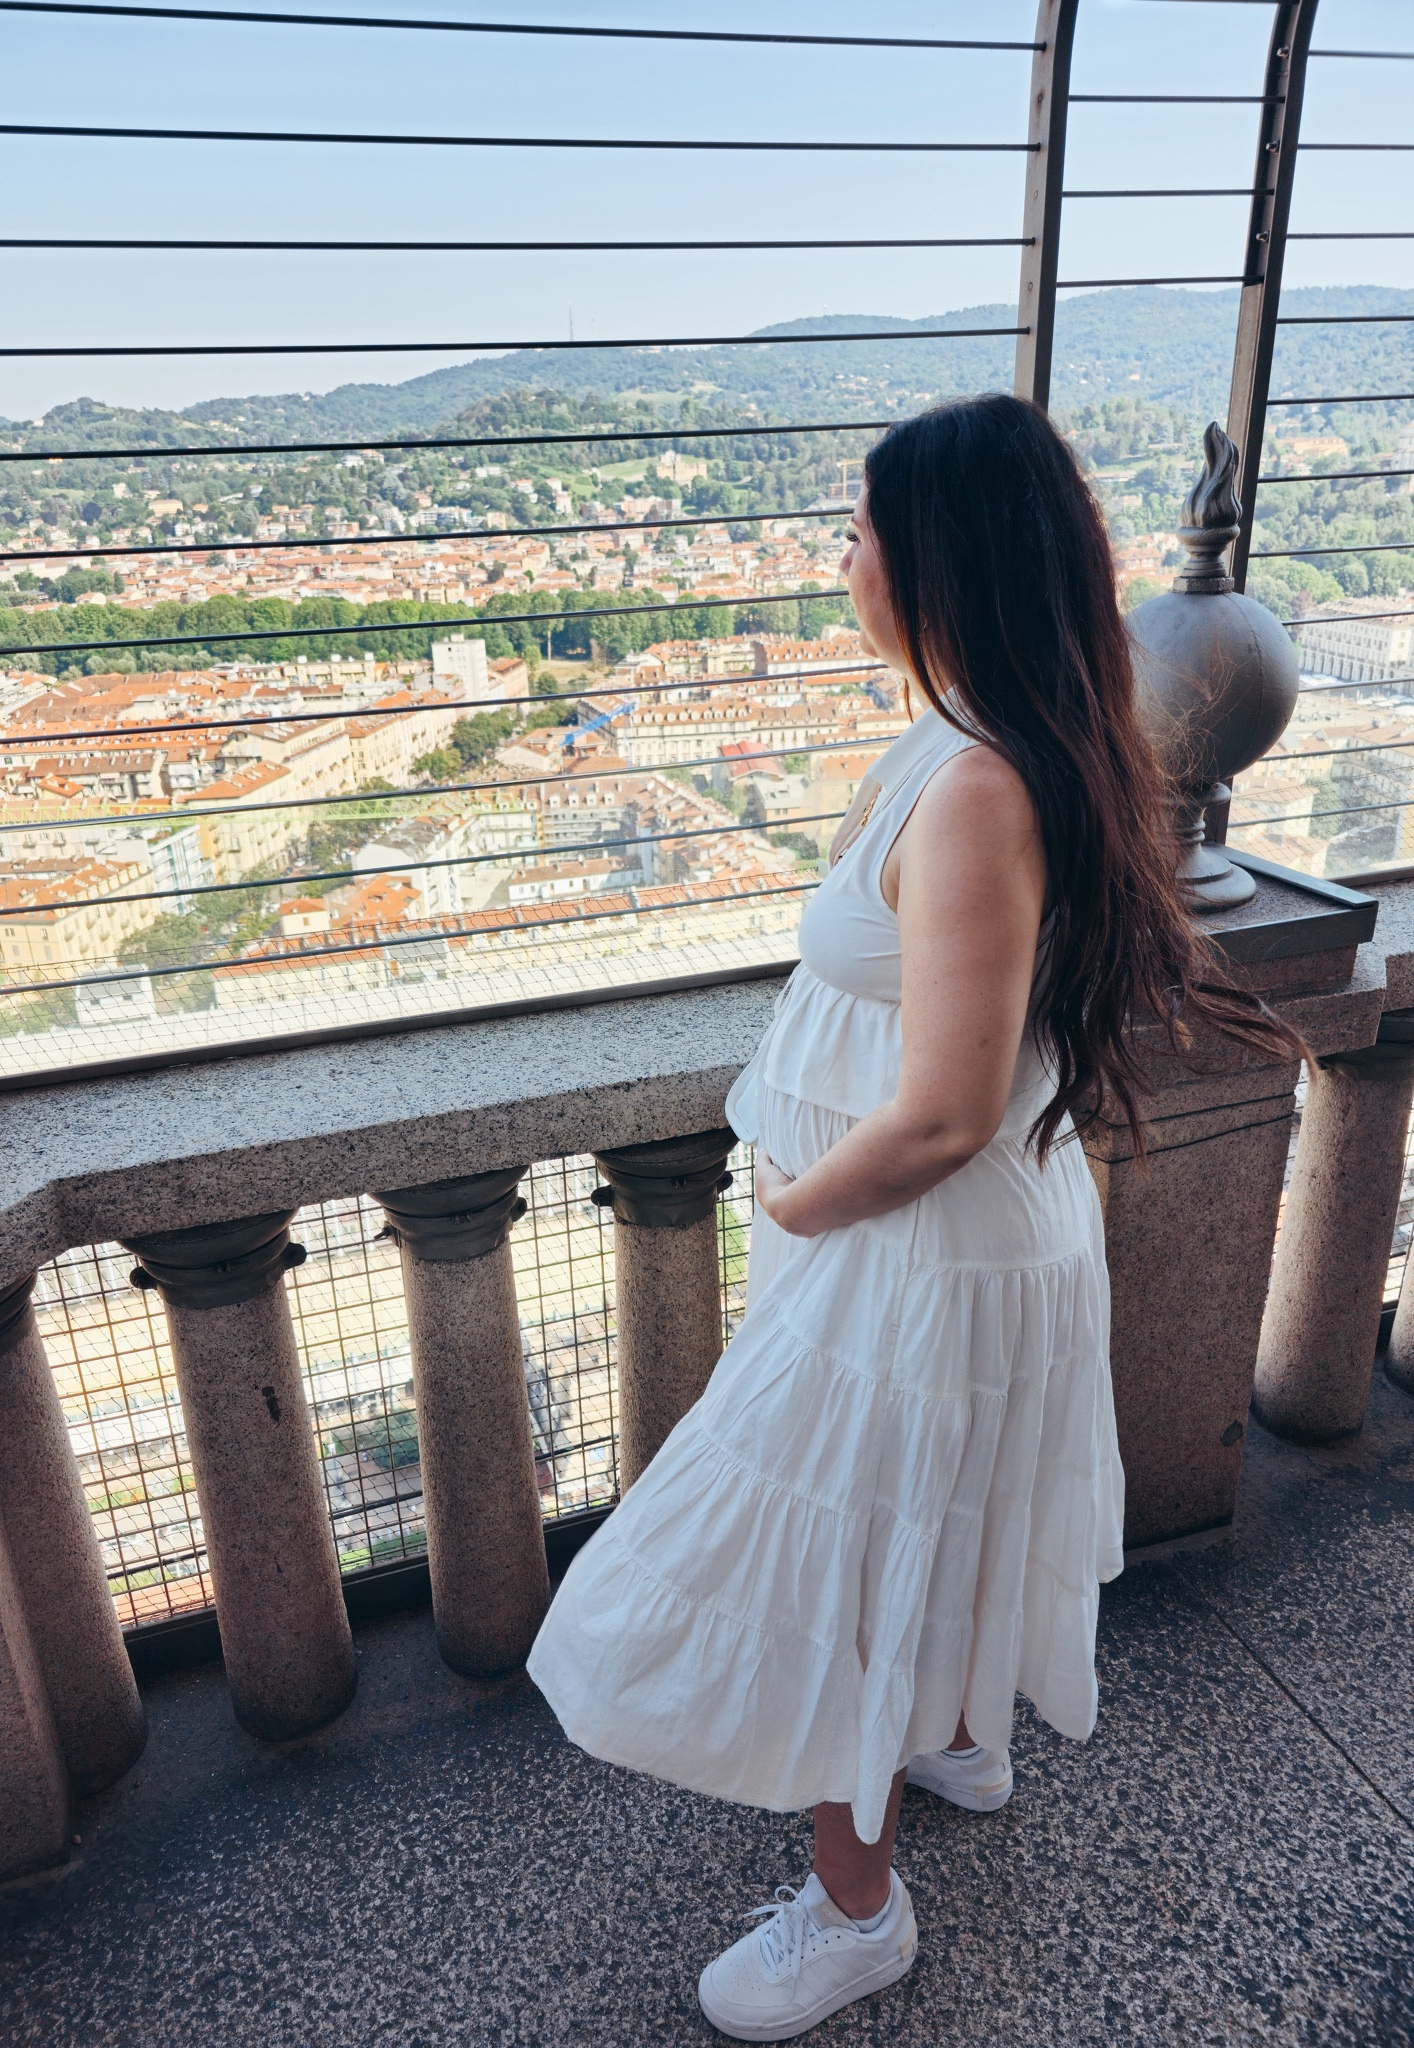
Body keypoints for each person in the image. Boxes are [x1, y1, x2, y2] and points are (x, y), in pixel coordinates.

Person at [526, 394, 1301, 2042]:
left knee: (851, 1561)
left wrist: (796, 1202)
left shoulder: (977, 788)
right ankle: (953, 1736)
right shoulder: (997, 733)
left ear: (937, 560)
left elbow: (944, 1110)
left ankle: (856, 1912)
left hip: (916, 1247)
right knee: (934, 1514)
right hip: (956, 1241)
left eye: (861, 532)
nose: (844, 558)